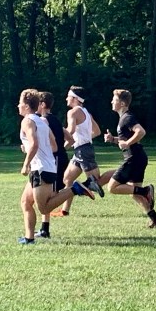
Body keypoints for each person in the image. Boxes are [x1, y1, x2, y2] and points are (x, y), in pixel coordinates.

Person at [16, 89, 94, 244]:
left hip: (40, 169)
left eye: (20, 103)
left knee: (44, 208)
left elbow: (34, 144)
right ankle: (29, 238)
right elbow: (54, 146)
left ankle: (75, 189)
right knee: (25, 202)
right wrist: (36, 151)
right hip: (46, 167)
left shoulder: (27, 121)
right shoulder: (42, 121)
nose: (18, 106)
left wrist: (26, 164)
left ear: (26, 106)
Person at [102, 89, 156, 229]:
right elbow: (125, 139)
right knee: (134, 193)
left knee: (112, 187)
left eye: (114, 100)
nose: (112, 101)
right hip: (138, 157)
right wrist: (113, 139)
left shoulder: (127, 117)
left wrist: (128, 143)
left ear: (122, 103)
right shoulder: (124, 118)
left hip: (133, 158)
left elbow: (141, 131)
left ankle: (145, 191)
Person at [55, 86, 104, 218]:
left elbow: (70, 131)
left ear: (75, 98)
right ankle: (64, 211)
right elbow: (97, 131)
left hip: (83, 151)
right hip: (82, 150)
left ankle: (125, 178)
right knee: (67, 179)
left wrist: (56, 134)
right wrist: (83, 139)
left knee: (97, 181)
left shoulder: (73, 112)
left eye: (68, 96)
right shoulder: (86, 112)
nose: (66, 98)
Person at [37, 92, 69, 239]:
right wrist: (62, 149)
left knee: (51, 195)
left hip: (54, 160)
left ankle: (45, 229)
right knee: (50, 194)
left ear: (43, 104)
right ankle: (44, 229)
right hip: (60, 157)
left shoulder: (44, 120)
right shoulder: (55, 119)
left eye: (38, 103)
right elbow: (70, 139)